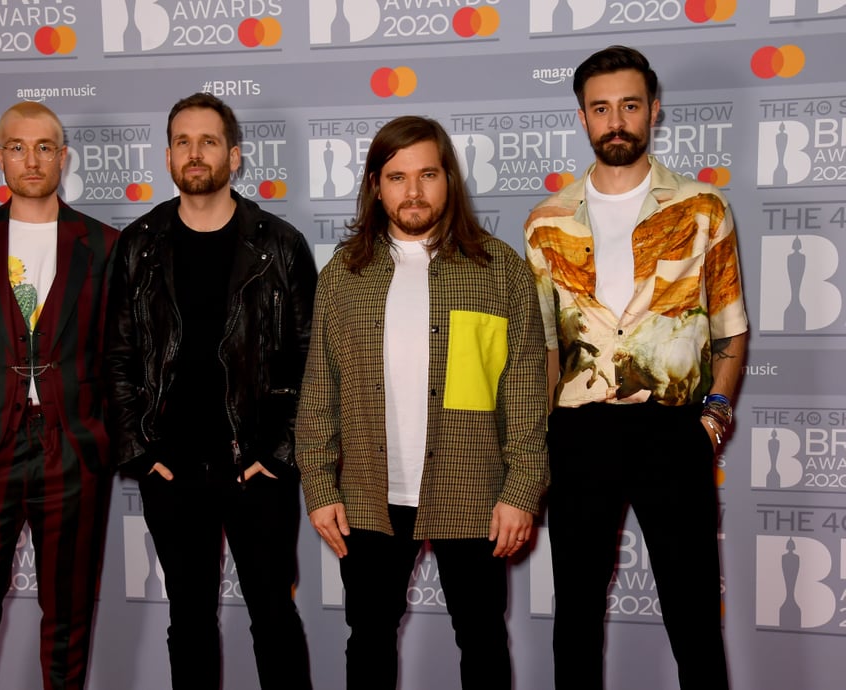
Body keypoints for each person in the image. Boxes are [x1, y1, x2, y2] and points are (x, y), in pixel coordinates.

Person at [297, 115, 550, 689]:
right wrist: (318, 488)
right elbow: (319, 391)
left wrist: (520, 492)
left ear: (449, 180)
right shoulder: (344, 275)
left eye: (427, 174)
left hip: (474, 488)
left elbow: (527, 395)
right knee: (368, 638)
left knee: (482, 635)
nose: (412, 191)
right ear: (375, 186)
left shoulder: (499, 270)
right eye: (396, 176)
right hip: (367, 492)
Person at [524, 45, 748, 690]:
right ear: (582, 117)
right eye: (601, 108)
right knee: (576, 617)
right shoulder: (546, 223)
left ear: (653, 110)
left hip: (672, 429)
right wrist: (541, 441)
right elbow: (543, 347)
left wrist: (715, 415)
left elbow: (731, 329)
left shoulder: (703, 207)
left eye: (629, 105)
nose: (615, 119)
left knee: (694, 611)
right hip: (578, 433)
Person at [104, 92, 315, 690]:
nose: (195, 154)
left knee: (274, 617)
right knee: (188, 620)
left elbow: (309, 362)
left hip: (257, 470)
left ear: (235, 155)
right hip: (172, 473)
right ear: (168, 155)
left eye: (209, 141)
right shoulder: (138, 245)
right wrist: (143, 457)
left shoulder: (279, 244)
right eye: (182, 141)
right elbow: (116, 356)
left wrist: (275, 454)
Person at [0, 102, 118, 690]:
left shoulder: (104, 244)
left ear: (63, 157)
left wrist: (101, 440)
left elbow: (117, 357)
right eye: (17, 146)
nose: (31, 159)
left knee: (69, 622)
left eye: (43, 147)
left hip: (73, 453)